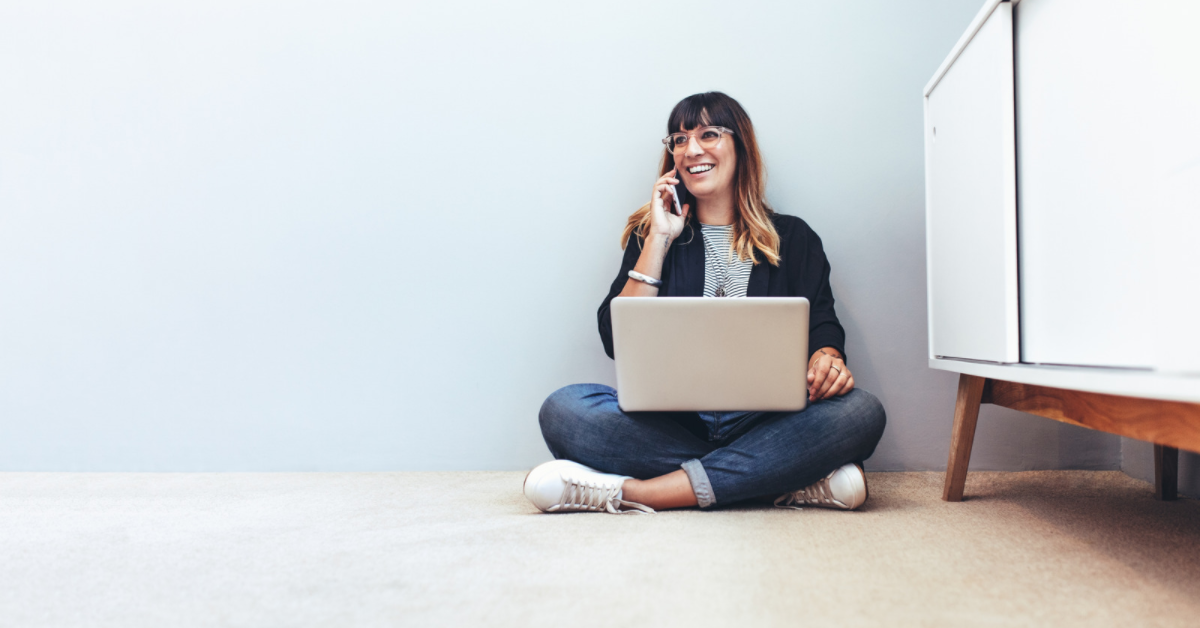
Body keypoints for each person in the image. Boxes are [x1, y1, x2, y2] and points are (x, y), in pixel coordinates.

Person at [525, 92, 886, 514]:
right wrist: (660, 237)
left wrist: (828, 359)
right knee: (564, 409)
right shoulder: (651, 236)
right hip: (675, 423)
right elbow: (616, 338)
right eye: (678, 139)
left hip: (766, 421)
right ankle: (777, 481)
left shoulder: (794, 237)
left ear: (740, 146)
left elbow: (822, 323)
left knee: (861, 411)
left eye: (708, 134)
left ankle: (640, 493)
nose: (691, 149)